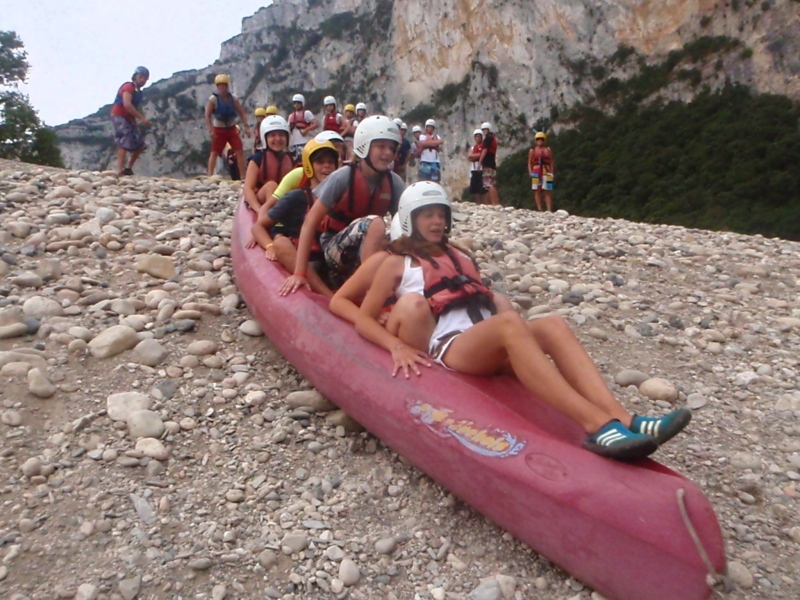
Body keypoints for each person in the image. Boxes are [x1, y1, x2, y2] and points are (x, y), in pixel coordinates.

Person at [352, 181, 692, 461]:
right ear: (410, 219)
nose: (437, 221)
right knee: (510, 324)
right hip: (452, 348)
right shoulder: (396, 264)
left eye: (441, 214)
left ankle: (624, 418)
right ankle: (597, 426)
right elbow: (365, 320)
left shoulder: (459, 255)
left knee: (552, 324)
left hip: (484, 341)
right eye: (427, 215)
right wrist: (395, 345)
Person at [280, 115, 405, 295]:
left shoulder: (394, 183)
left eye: (391, 148)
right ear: (364, 146)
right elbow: (310, 223)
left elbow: (405, 227)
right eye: (381, 146)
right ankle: (372, 293)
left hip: (364, 250)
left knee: (398, 239)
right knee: (376, 224)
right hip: (334, 249)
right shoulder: (343, 176)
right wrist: (300, 272)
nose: (387, 153)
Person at [248, 138, 340, 297]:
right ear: (309, 167)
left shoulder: (342, 197)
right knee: (281, 243)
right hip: (307, 261)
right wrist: (269, 246)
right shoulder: (296, 197)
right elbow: (258, 227)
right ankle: (328, 297)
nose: (327, 166)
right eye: (320, 162)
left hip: (332, 261)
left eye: (330, 162)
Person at [259, 130, 346, 214]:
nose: (327, 165)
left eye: (339, 156)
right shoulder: (298, 176)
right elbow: (267, 208)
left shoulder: (346, 179)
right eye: (321, 160)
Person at [242, 115, 294, 212]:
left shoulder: (290, 159)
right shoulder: (258, 158)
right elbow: (248, 188)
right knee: (271, 185)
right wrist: (258, 209)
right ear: (265, 138)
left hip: (283, 199)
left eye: (281, 135)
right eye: (273, 135)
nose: (278, 139)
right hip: (262, 198)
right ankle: (271, 216)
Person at [205, 74, 251, 177]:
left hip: (231, 128)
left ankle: (243, 176)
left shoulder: (233, 98)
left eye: (224, 85)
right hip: (219, 129)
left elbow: (241, 112)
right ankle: (209, 176)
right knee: (214, 152)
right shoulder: (213, 99)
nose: (222, 88)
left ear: (227, 86)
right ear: (217, 87)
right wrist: (211, 130)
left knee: (239, 151)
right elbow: (207, 115)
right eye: (219, 85)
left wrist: (246, 126)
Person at [111, 66, 150, 176]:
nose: (143, 80)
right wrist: (141, 118)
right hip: (119, 115)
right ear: (135, 76)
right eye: (141, 77)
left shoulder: (138, 92)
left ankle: (128, 168)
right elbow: (127, 104)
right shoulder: (128, 87)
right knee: (123, 141)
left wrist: (135, 123)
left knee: (140, 144)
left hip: (129, 118)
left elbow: (132, 108)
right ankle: (119, 170)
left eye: (145, 78)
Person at [288, 93, 319, 163]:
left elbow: (316, 123)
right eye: (295, 103)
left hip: (304, 141)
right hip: (294, 143)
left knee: (305, 161)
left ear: (302, 103)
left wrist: (306, 130)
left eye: (298, 102)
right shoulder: (291, 116)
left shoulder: (307, 113)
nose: (296, 104)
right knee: (295, 162)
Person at [529, 131, 555, 211]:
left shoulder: (548, 150)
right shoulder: (532, 150)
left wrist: (552, 172)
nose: (540, 140)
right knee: (537, 190)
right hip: (536, 170)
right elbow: (529, 163)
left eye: (541, 139)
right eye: (538, 139)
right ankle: (539, 208)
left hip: (546, 170)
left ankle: (549, 209)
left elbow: (551, 161)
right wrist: (531, 172)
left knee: (547, 190)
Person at [479, 122, 500, 205]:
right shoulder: (493, 139)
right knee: (491, 184)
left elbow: (485, 150)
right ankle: (494, 203)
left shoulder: (488, 139)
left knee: (489, 184)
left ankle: (494, 203)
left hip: (487, 164)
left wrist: (480, 162)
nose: (484, 131)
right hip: (492, 163)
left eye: (485, 130)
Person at [467, 129, 487, 204]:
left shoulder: (483, 147)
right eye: (476, 137)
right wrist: (477, 156)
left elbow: (482, 154)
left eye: (479, 136)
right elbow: (469, 157)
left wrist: (474, 156)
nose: (478, 138)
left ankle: (486, 203)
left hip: (482, 168)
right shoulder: (473, 148)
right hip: (474, 168)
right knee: (476, 188)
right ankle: (479, 203)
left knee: (484, 188)